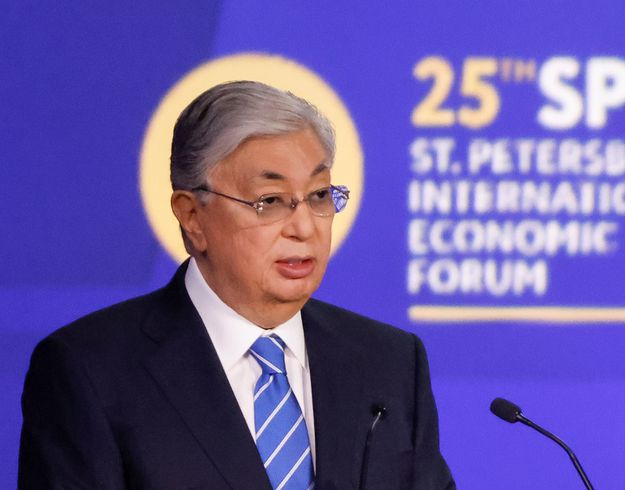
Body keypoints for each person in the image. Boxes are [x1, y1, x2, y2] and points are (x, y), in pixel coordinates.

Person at [19, 81, 455, 490]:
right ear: (192, 217)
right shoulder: (90, 371)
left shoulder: (391, 362)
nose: (304, 227)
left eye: (319, 195)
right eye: (269, 202)